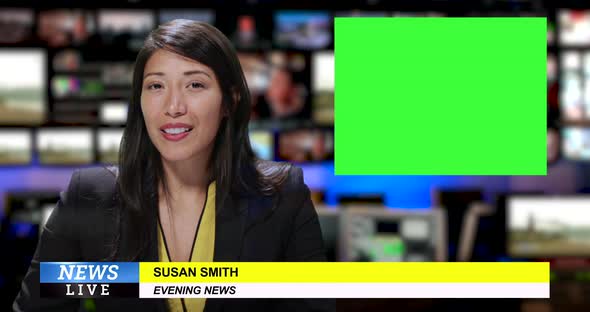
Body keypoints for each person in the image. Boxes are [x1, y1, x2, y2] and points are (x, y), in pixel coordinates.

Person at [13, 19, 333, 312]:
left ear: (230, 101)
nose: (173, 107)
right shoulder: (87, 197)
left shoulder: (283, 197)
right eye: (156, 86)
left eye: (195, 85)